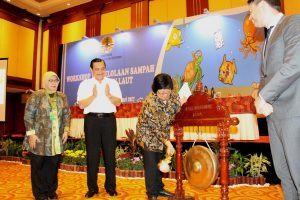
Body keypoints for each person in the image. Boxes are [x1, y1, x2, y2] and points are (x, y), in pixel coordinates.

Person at [248, 0, 300, 199]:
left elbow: (296, 62)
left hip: (293, 114)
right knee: (284, 175)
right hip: (274, 116)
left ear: (261, 4)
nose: (250, 18)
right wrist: (258, 95)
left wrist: (263, 95)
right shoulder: (267, 38)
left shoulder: (293, 22)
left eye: (251, 11)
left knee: (298, 173)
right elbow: (266, 76)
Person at [136, 73, 186, 200]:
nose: (164, 96)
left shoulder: (172, 95)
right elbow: (156, 127)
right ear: (155, 90)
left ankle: (159, 189)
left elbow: (175, 106)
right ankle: (152, 194)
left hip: (162, 136)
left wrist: (182, 102)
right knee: (151, 166)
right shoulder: (150, 102)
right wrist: (168, 143)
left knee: (159, 162)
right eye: (161, 93)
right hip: (147, 136)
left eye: (167, 92)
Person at [77, 58, 122, 198]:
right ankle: (92, 188)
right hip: (91, 121)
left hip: (109, 120)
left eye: (102, 68)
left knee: (110, 155)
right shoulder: (85, 84)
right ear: (91, 70)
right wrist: (93, 96)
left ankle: (111, 187)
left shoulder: (113, 83)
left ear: (105, 68)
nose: (100, 71)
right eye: (97, 69)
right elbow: (81, 105)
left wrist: (109, 95)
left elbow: (118, 102)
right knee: (92, 155)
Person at [23, 71, 71, 200]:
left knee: (53, 167)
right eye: (51, 80)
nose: (54, 83)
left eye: (56, 80)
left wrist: (66, 130)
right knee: (38, 167)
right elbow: (28, 116)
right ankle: (40, 194)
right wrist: (31, 134)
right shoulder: (36, 96)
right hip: (39, 139)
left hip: (56, 139)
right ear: (45, 81)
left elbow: (67, 114)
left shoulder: (62, 97)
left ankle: (51, 191)